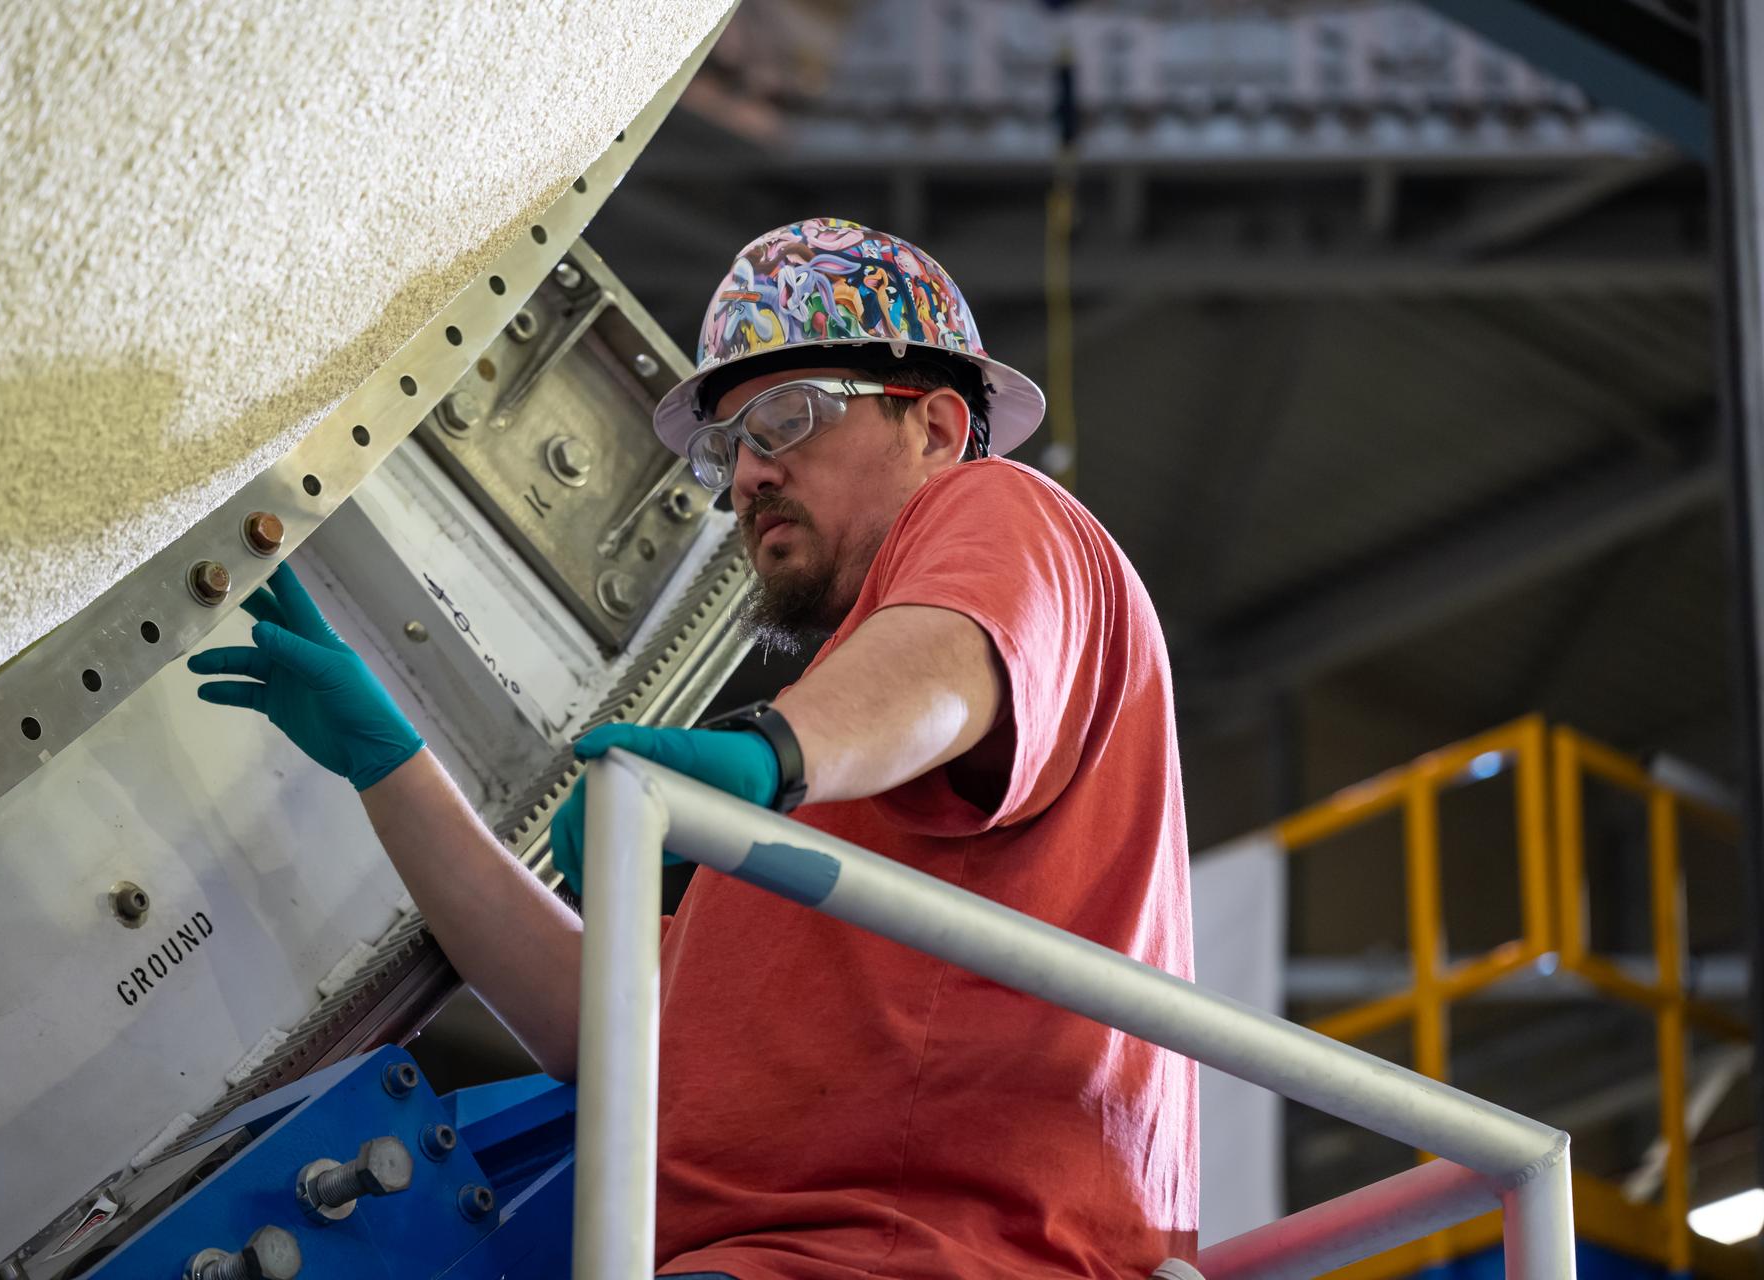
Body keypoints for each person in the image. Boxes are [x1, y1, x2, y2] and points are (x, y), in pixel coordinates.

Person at [190, 217, 1196, 1280]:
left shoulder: (1009, 524)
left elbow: (954, 662)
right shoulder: (831, 785)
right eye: (730, 448)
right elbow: (609, 1025)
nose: (748, 475)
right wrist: (389, 764)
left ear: (937, 426)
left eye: (788, 416)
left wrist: (767, 757)